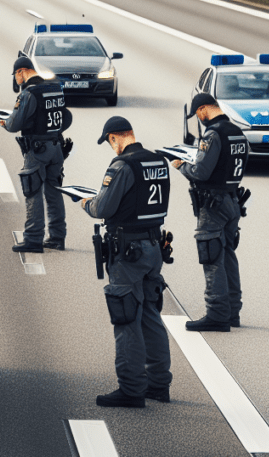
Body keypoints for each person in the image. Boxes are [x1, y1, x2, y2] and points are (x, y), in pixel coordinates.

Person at [79, 116, 173, 408]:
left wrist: (85, 203)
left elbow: (103, 207)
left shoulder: (122, 166)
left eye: (110, 142)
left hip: (128, 251)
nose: (112, 147)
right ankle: (158, 384)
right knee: (150, 316)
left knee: (126, 318)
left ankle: (132, 389)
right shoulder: (158, 161)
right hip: (154, 246)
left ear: (115, 138)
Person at [171, 93, 249, 332]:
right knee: (227, 256)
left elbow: (201, 172)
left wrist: (181, 165)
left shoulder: (213, 134)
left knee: (212, 257)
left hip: (213, 204)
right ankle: (232, 311)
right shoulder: (237, 132)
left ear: (204, 109)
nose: (199, 118)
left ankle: (217, 314)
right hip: (232, 201)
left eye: (198, 114)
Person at [2, 57, 69, 253]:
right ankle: (57, 237)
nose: (16, 80)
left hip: (37, 149)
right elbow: (66, 118)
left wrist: (5, 122)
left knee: (33, 191)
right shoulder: (55, 88)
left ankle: (33, 238)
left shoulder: (29, 94)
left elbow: (14, 124)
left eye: (16, 75)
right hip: (57, 147)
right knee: (54, 192)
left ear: (22, 72)